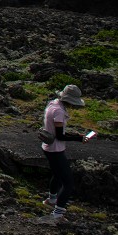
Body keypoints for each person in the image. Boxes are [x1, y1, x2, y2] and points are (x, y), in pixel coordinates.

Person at [38, 83, 92, 223]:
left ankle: (51, 199)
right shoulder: (59, 112)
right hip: (56, 149)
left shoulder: (52, 104)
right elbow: (60, 136)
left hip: (47, 146)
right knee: (68, 183)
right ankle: (57, 215)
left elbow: (57, 132)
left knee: (57, 174)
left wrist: (75, 135)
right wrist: (79, 138)